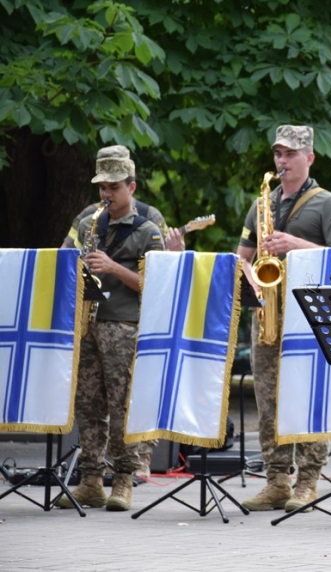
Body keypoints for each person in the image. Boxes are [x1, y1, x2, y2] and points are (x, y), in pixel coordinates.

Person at [237, 125, 331, 513]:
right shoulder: (262, 204)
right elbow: (243, 256)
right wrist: (251, 277)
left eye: (290, 154)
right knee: (267, 399)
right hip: (268, 310)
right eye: (278, 154)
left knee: (307, 394)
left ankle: (308, 480)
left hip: (310, 313)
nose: (282, 161)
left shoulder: (329, 203)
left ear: (310, 157)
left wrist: (295, 244)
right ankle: (276, 480)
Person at [56, 145, 165, 511]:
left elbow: (157, 286)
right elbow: (66, 262)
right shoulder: (88, 224)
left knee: (122, 407)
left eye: (113, 187)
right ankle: (90, 480)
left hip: (123, 326)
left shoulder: (148, 231)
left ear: (131, 187)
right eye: (102, 187)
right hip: (88, 324)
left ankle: (123, 480)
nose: (106, 194)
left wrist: (113, 268)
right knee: (88, 405)